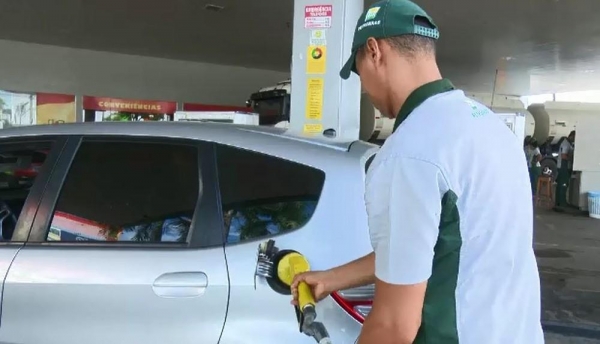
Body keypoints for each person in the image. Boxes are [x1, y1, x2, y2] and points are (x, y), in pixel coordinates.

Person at [290, 1, 543, 343]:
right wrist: (333, 278)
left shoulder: (407, 155)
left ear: (375, 51)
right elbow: (430, 246)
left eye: (359, 70)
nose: (364, 86)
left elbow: (394, 326)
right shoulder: (489, 127)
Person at [555, 130, 575, 208]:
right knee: (562, 185)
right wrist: (571, 158)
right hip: (563, 167)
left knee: (563, 185)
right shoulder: (565, 144)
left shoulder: (569, 143)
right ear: (571, 136)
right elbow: (563, 156)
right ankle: (561, 202)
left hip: (566, 167)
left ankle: (561, 201)